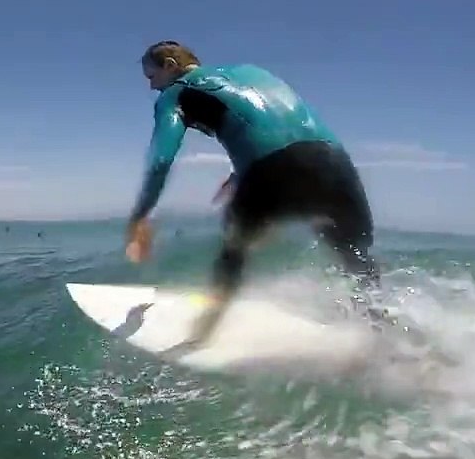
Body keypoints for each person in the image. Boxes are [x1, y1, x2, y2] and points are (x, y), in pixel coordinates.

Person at [124, 40, 382, 347]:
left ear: (170, 65)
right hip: (335, 163)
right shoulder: (251, 71)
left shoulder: (175, 93)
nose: (152, 87)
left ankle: (201, 337)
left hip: (270, 170)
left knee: (235, 250)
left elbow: (161, 159)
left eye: (151, 77)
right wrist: (238, 174)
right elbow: (278, 125)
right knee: (355, 258)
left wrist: (140, 215)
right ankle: (383, 332)